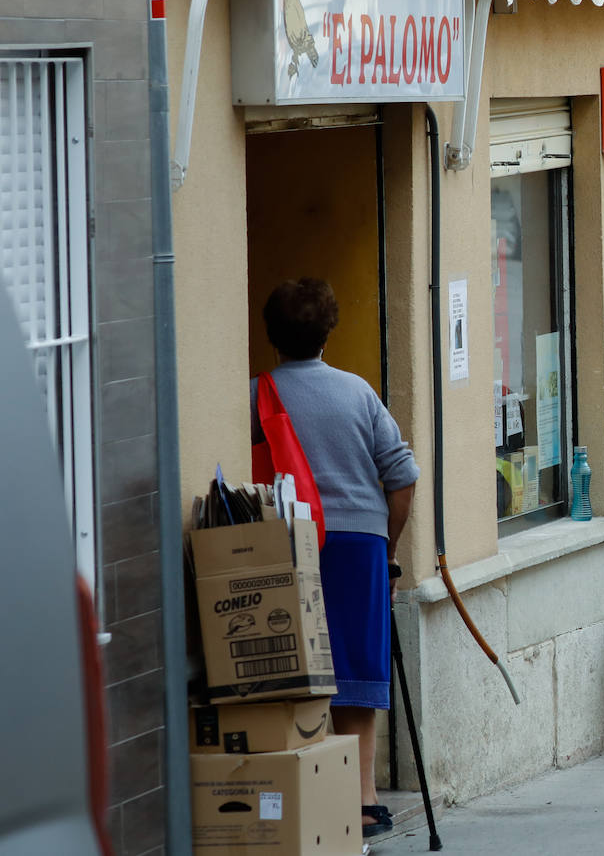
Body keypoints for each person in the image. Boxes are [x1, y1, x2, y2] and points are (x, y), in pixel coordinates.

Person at [251, 279, 419, 837]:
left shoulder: (256, 395)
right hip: (356, 545)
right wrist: (387, 547)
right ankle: (363, 799)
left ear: (271, 335)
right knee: (357, 670)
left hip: (285, 542)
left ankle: (307, 791)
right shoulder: (357, 392)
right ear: (328, 332)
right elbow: (402, 478)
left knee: (294, 672)